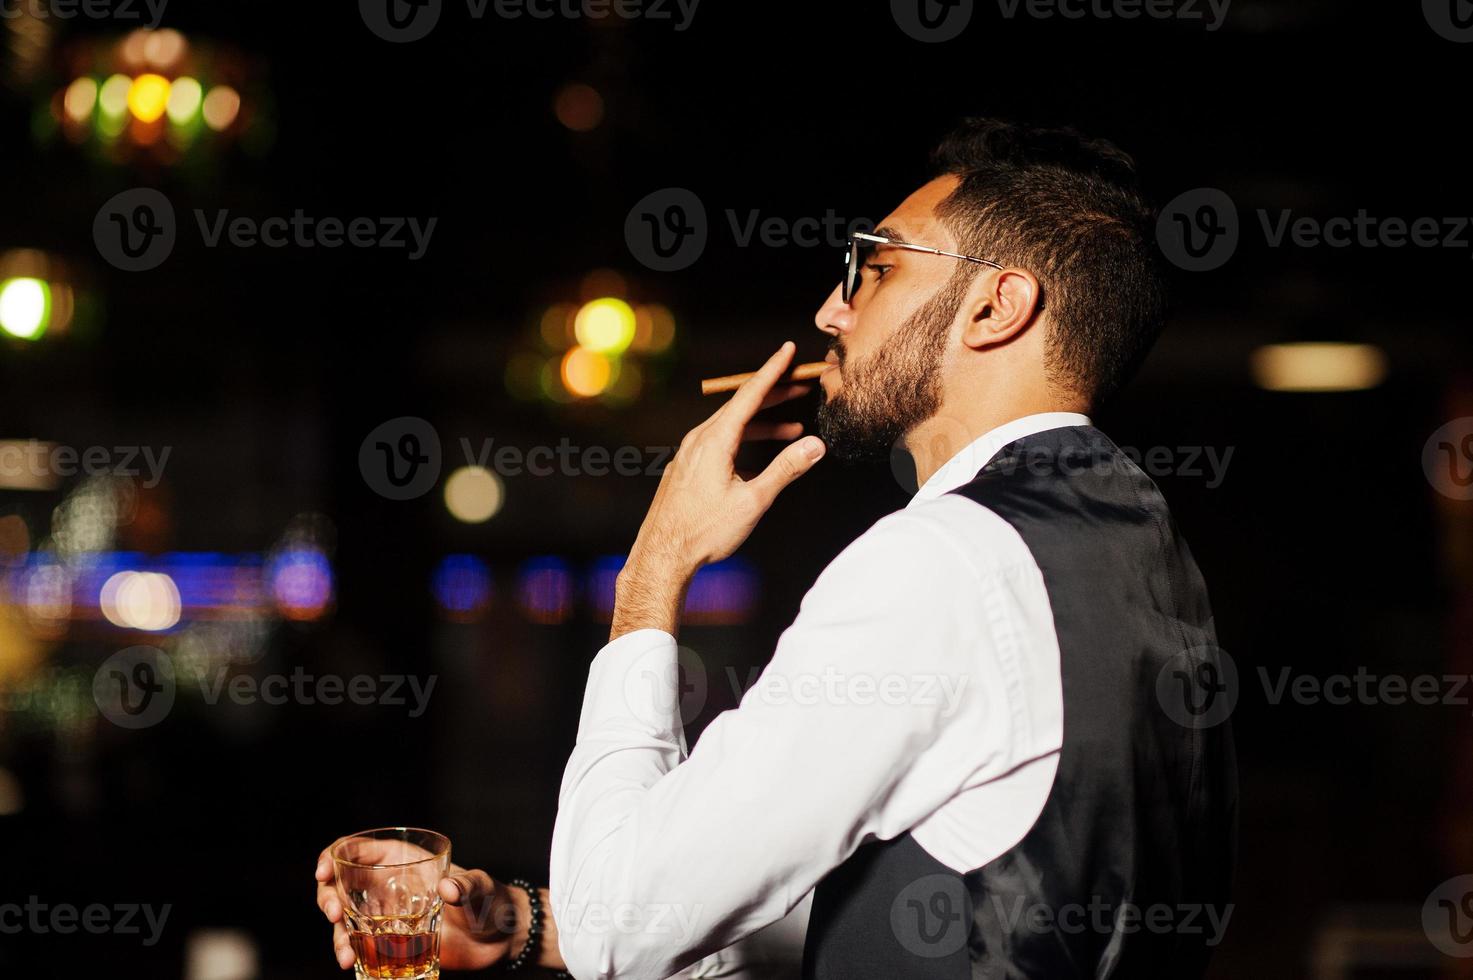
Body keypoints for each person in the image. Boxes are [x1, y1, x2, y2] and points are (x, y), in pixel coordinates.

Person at [315, 117, 1237, 979]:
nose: (830, 313)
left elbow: (618, 923)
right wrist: (518, 924)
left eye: (871, 269)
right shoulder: (1147, 558)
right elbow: (942, 893)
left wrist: (653, 570)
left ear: (995, 307)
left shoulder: (940, 561)